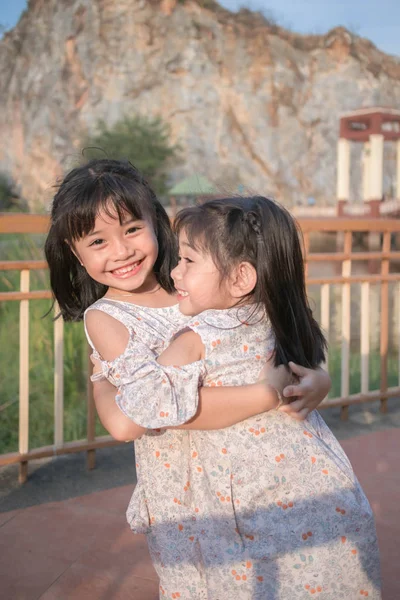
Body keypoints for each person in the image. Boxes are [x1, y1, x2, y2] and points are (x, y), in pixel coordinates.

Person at [44, 159, 332, 598]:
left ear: (155, 223)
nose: (121, 251)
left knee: (283, 578)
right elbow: (128, 423)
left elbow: (273, 333)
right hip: (186, 485)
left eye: (132, 230)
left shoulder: (200, 278)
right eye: (98, 240)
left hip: (260, 474)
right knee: (202, 582)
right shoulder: (109, 318)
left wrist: (319, 380)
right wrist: (265, 394)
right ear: (73, 249)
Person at [92, 195, 381, 599]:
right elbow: (305, 365)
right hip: (315, 483)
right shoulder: (269, 314)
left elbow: (140, 410)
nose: (177, 271)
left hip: (236, 496)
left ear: (242, 278)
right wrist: (316, 382)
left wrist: (102, 380)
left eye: (188, 261)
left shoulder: (195, 336)